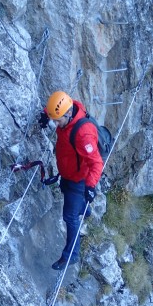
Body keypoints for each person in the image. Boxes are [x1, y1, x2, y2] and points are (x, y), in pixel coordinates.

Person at [39, 91, 104, 270]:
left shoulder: (84, 134)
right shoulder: (69, 108)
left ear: (68, 114)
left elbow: (96, 163)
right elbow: (56, 108)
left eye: (57, 120)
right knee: (69, 197)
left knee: (70, 216)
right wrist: (47, 114)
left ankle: (71, 256)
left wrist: (90, 186)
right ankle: (85, 209)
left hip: (79, 178)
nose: (56, 124)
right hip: (68, 172)